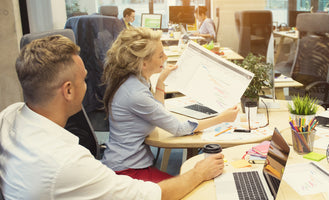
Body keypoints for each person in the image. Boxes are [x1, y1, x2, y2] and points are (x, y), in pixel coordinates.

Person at [0, 35, 224, 199]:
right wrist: (198, 172)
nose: (87, 87)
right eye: (84, 80)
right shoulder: (66, 162)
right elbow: (150, 195)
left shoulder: (9, 116)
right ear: (68, 90)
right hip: (126, 170)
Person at [100, 27, 239, 182]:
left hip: (128, 163)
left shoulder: (134, 81)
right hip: (127, 172)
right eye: (160, 55)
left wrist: (160, 81)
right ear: (143, 63)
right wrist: (222, 118)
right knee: (189, 188)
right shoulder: (135, 94)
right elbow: (179, 129)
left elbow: (157, 112)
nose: (165, 57)